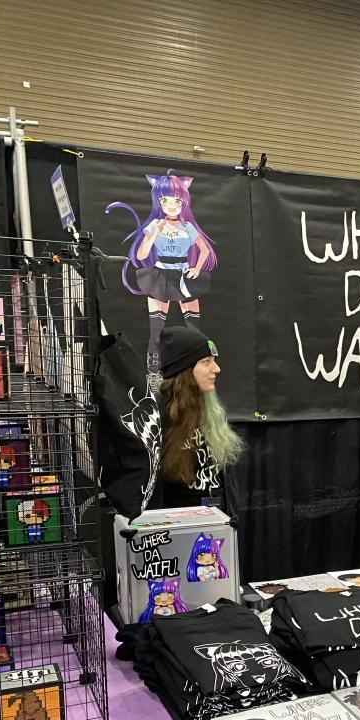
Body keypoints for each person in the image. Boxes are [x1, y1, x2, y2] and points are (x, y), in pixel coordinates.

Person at [107, 172, 218, 378]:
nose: (172, 205)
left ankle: (196, 368)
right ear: (159, 202)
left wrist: (196, 268)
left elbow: (204, 250)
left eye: (176, 200)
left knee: (194, 330)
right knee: (156, 330)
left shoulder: (187, 227)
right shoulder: (154, 226)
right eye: (166, 200)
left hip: (184, 277)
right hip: (160, 276)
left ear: (183, 202)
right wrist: (155, 234)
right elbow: (141, 254)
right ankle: (153, 373)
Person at [156, 325, 243, 508]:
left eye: (214, 361)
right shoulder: (159, 413)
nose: (216, 369)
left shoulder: (210, 408)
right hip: (179, 518)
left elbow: (225, 478)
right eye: (206, 362)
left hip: (217, 515)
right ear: (185, 369)